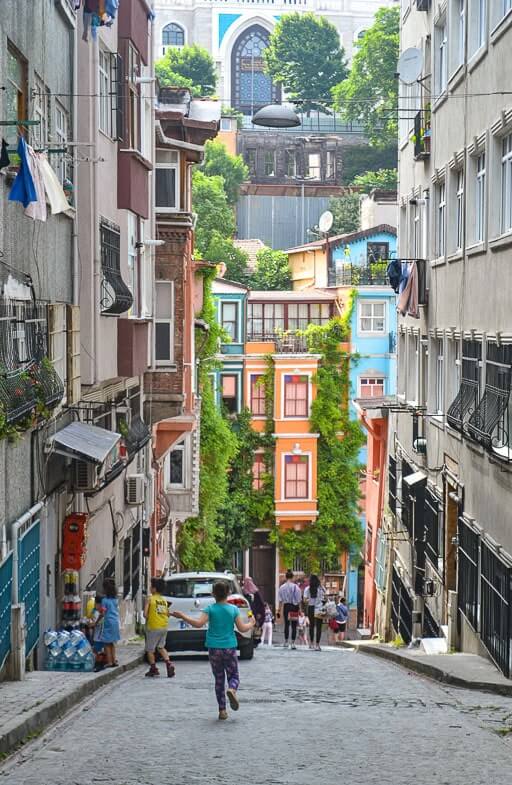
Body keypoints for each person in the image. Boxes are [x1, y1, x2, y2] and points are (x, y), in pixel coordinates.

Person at [172, 580, 255, 720]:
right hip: (229, 647)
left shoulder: (209, 609)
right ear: (228, 593)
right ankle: (232, 689)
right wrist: (251, 624)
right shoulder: (233, 609)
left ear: (213, 594)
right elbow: (241, 628)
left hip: (213, 648)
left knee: (219, 679)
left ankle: (222, 711)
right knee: (234, 676)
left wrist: (182, 616)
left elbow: (198, 624)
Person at [144, 577, 175, 678]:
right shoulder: (164, 600)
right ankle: (169, 664)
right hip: (164, 626)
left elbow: (145, 614)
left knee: (150, 649)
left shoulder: (150, 599)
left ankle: (153, 668)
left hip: (153, 627)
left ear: (154, 589)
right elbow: (167, 614)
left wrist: (150, 617)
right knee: (161, 647)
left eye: (150, 587)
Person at [277, 570, 302, 650]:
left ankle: (286, 641)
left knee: (286, 624)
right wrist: (300, 610)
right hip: (294, 607)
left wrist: (278, 610)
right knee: (294, 625)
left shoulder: (282, 587)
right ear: (292, 577)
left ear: (286, 577)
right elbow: (299, 600)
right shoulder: (296, 587)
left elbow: (280, 600)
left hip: (286, 606)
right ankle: (293, 643)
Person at [99, 578, 121, 667]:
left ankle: (109, 662)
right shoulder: (115, 600)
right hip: (116, 622)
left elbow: (103, 613)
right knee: (112, 643)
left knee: (106, 643)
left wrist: (97, 620)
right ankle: (114, 660)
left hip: (108, 622)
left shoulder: (104, 600)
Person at [303, 574, 326, 650]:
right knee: (319, 627)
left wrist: (310, 600)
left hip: (311, 608)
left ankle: (311, 644)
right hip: (319, 608)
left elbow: (305, 600)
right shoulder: (322, 589)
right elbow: (325, 598)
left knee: (311, 626)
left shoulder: (307, 589)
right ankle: (317, 645)